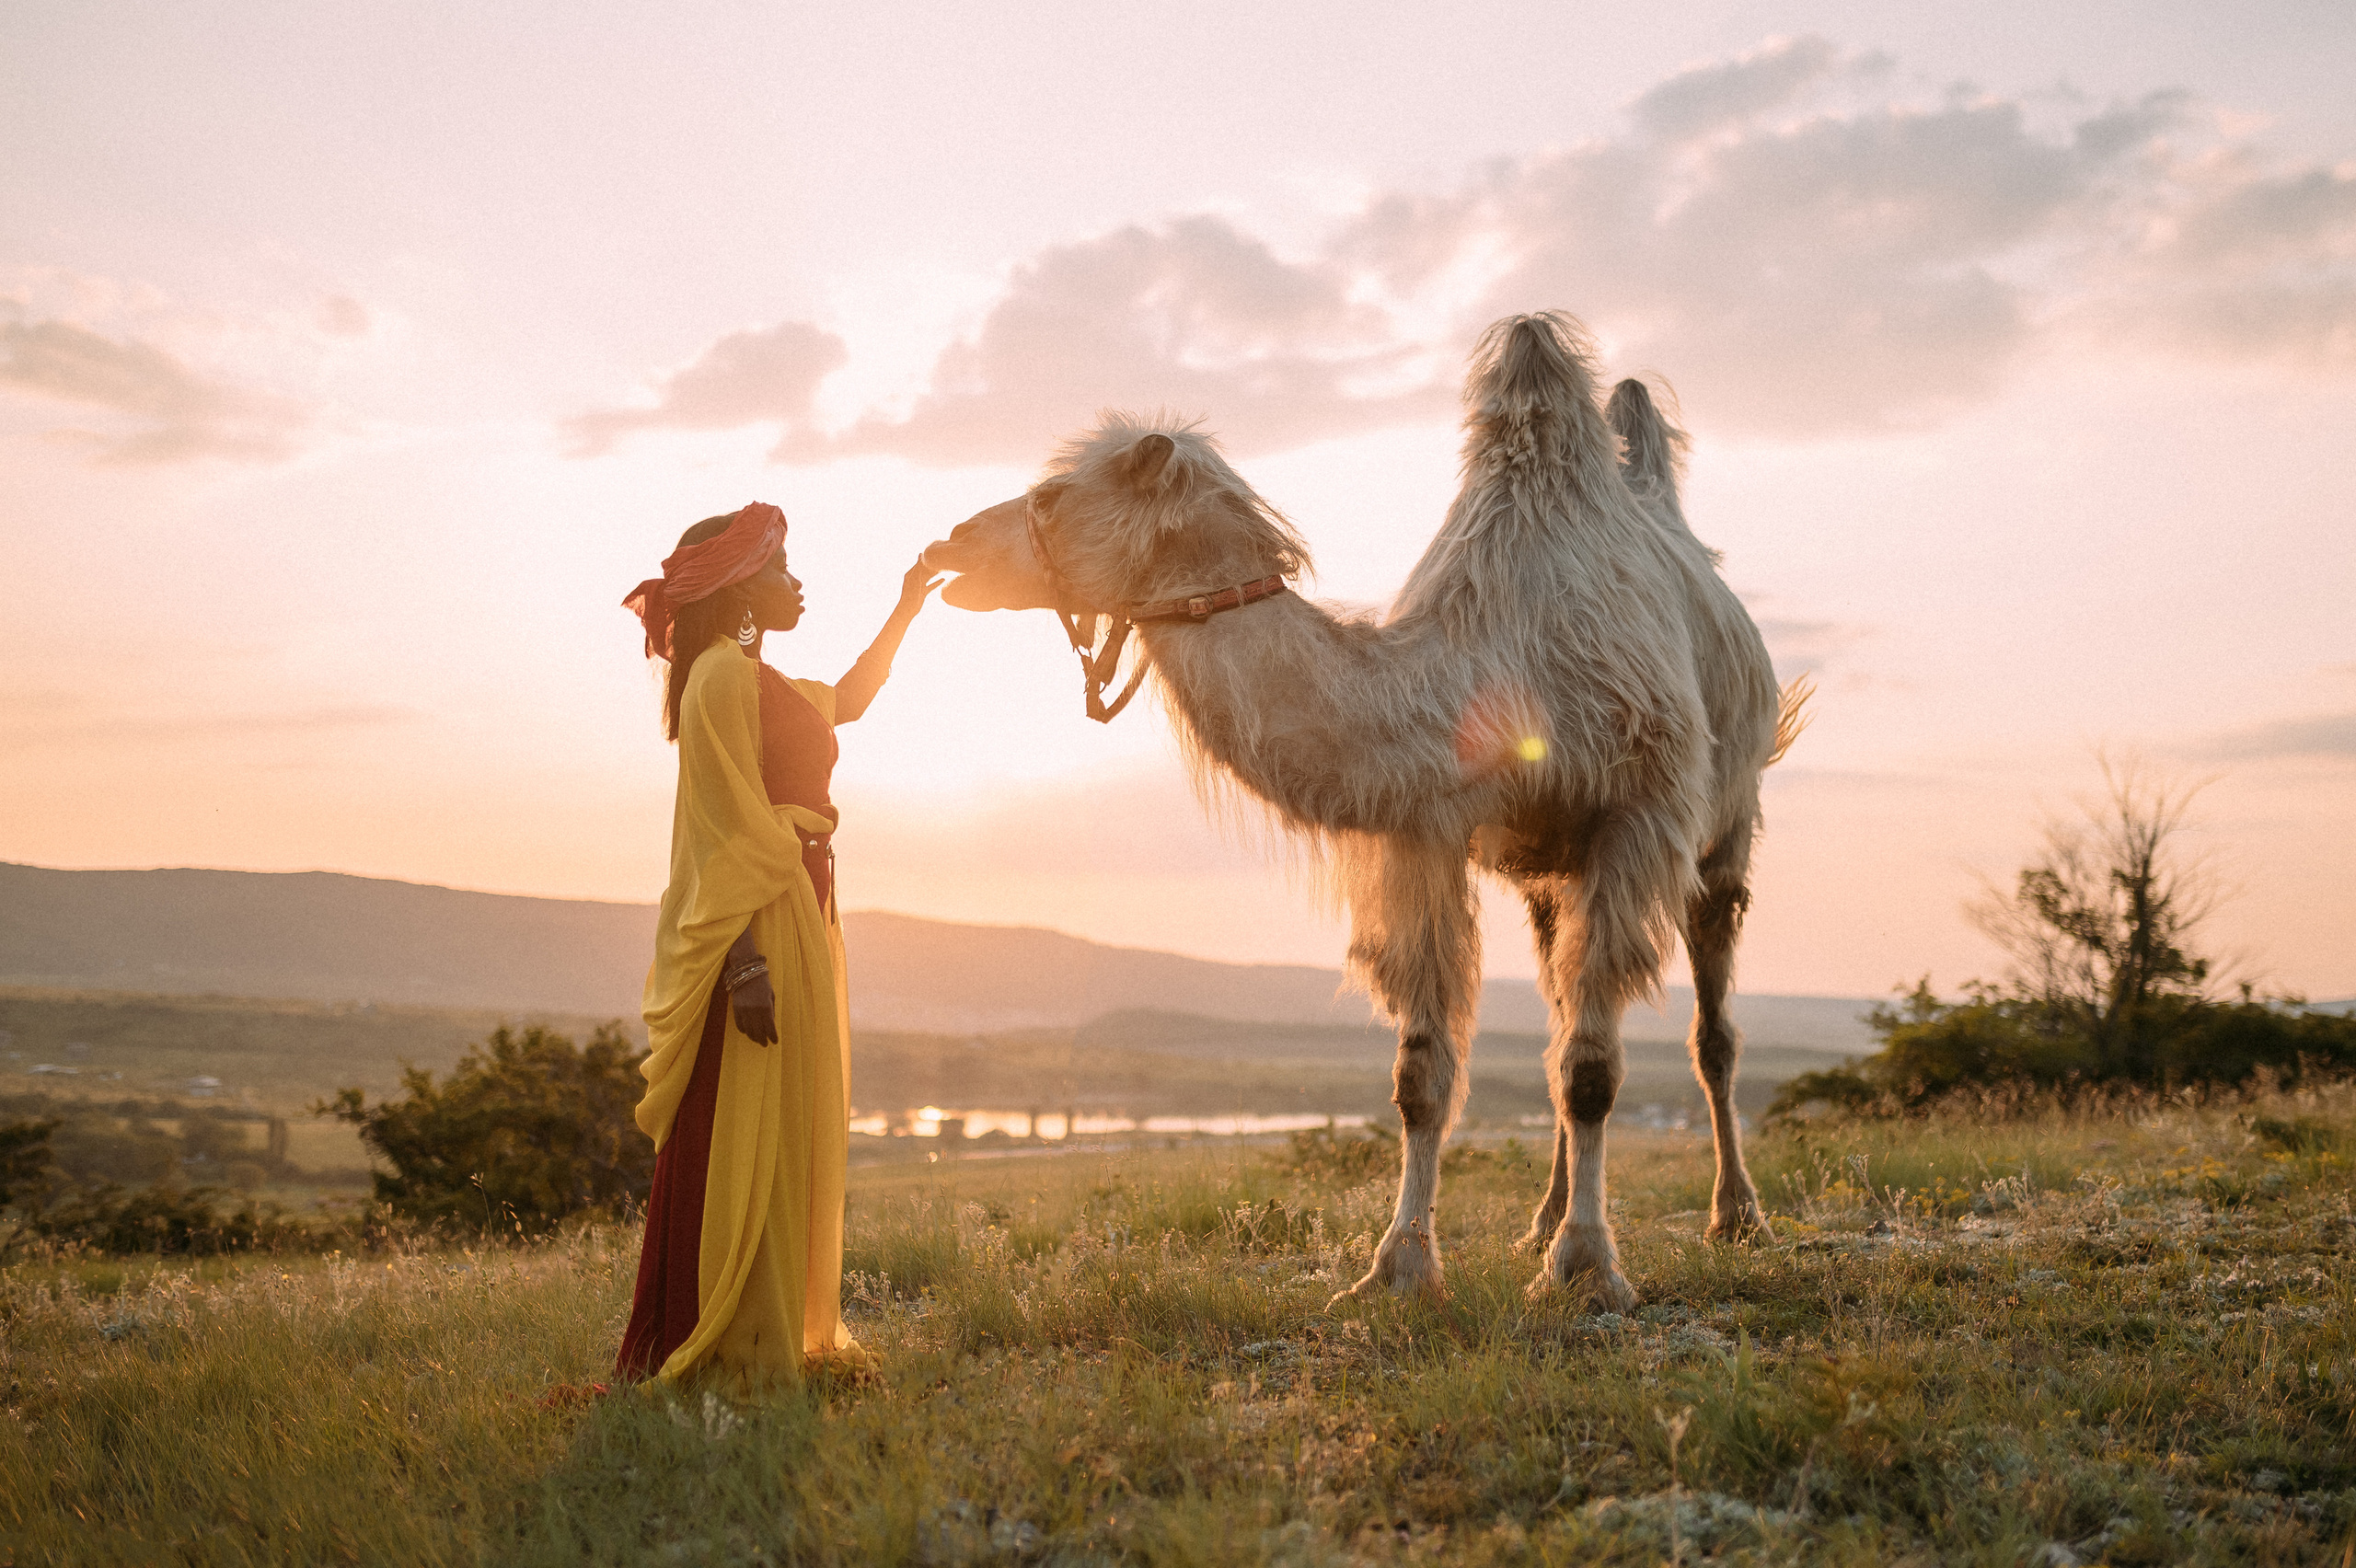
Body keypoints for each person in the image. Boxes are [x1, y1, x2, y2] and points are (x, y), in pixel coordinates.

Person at [615, 501, 937, 1391]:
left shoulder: (768, 682)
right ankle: (722, 1329)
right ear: (738, 585)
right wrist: (744, 960)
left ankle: (775, 1325)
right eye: (780, 566)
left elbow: (856, 698)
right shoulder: (719, 675)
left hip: (801, 909)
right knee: (741, 1118)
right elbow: (724, 829)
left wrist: (909, 605)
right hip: (758, 926)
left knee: (785, 1118)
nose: (796, 581)